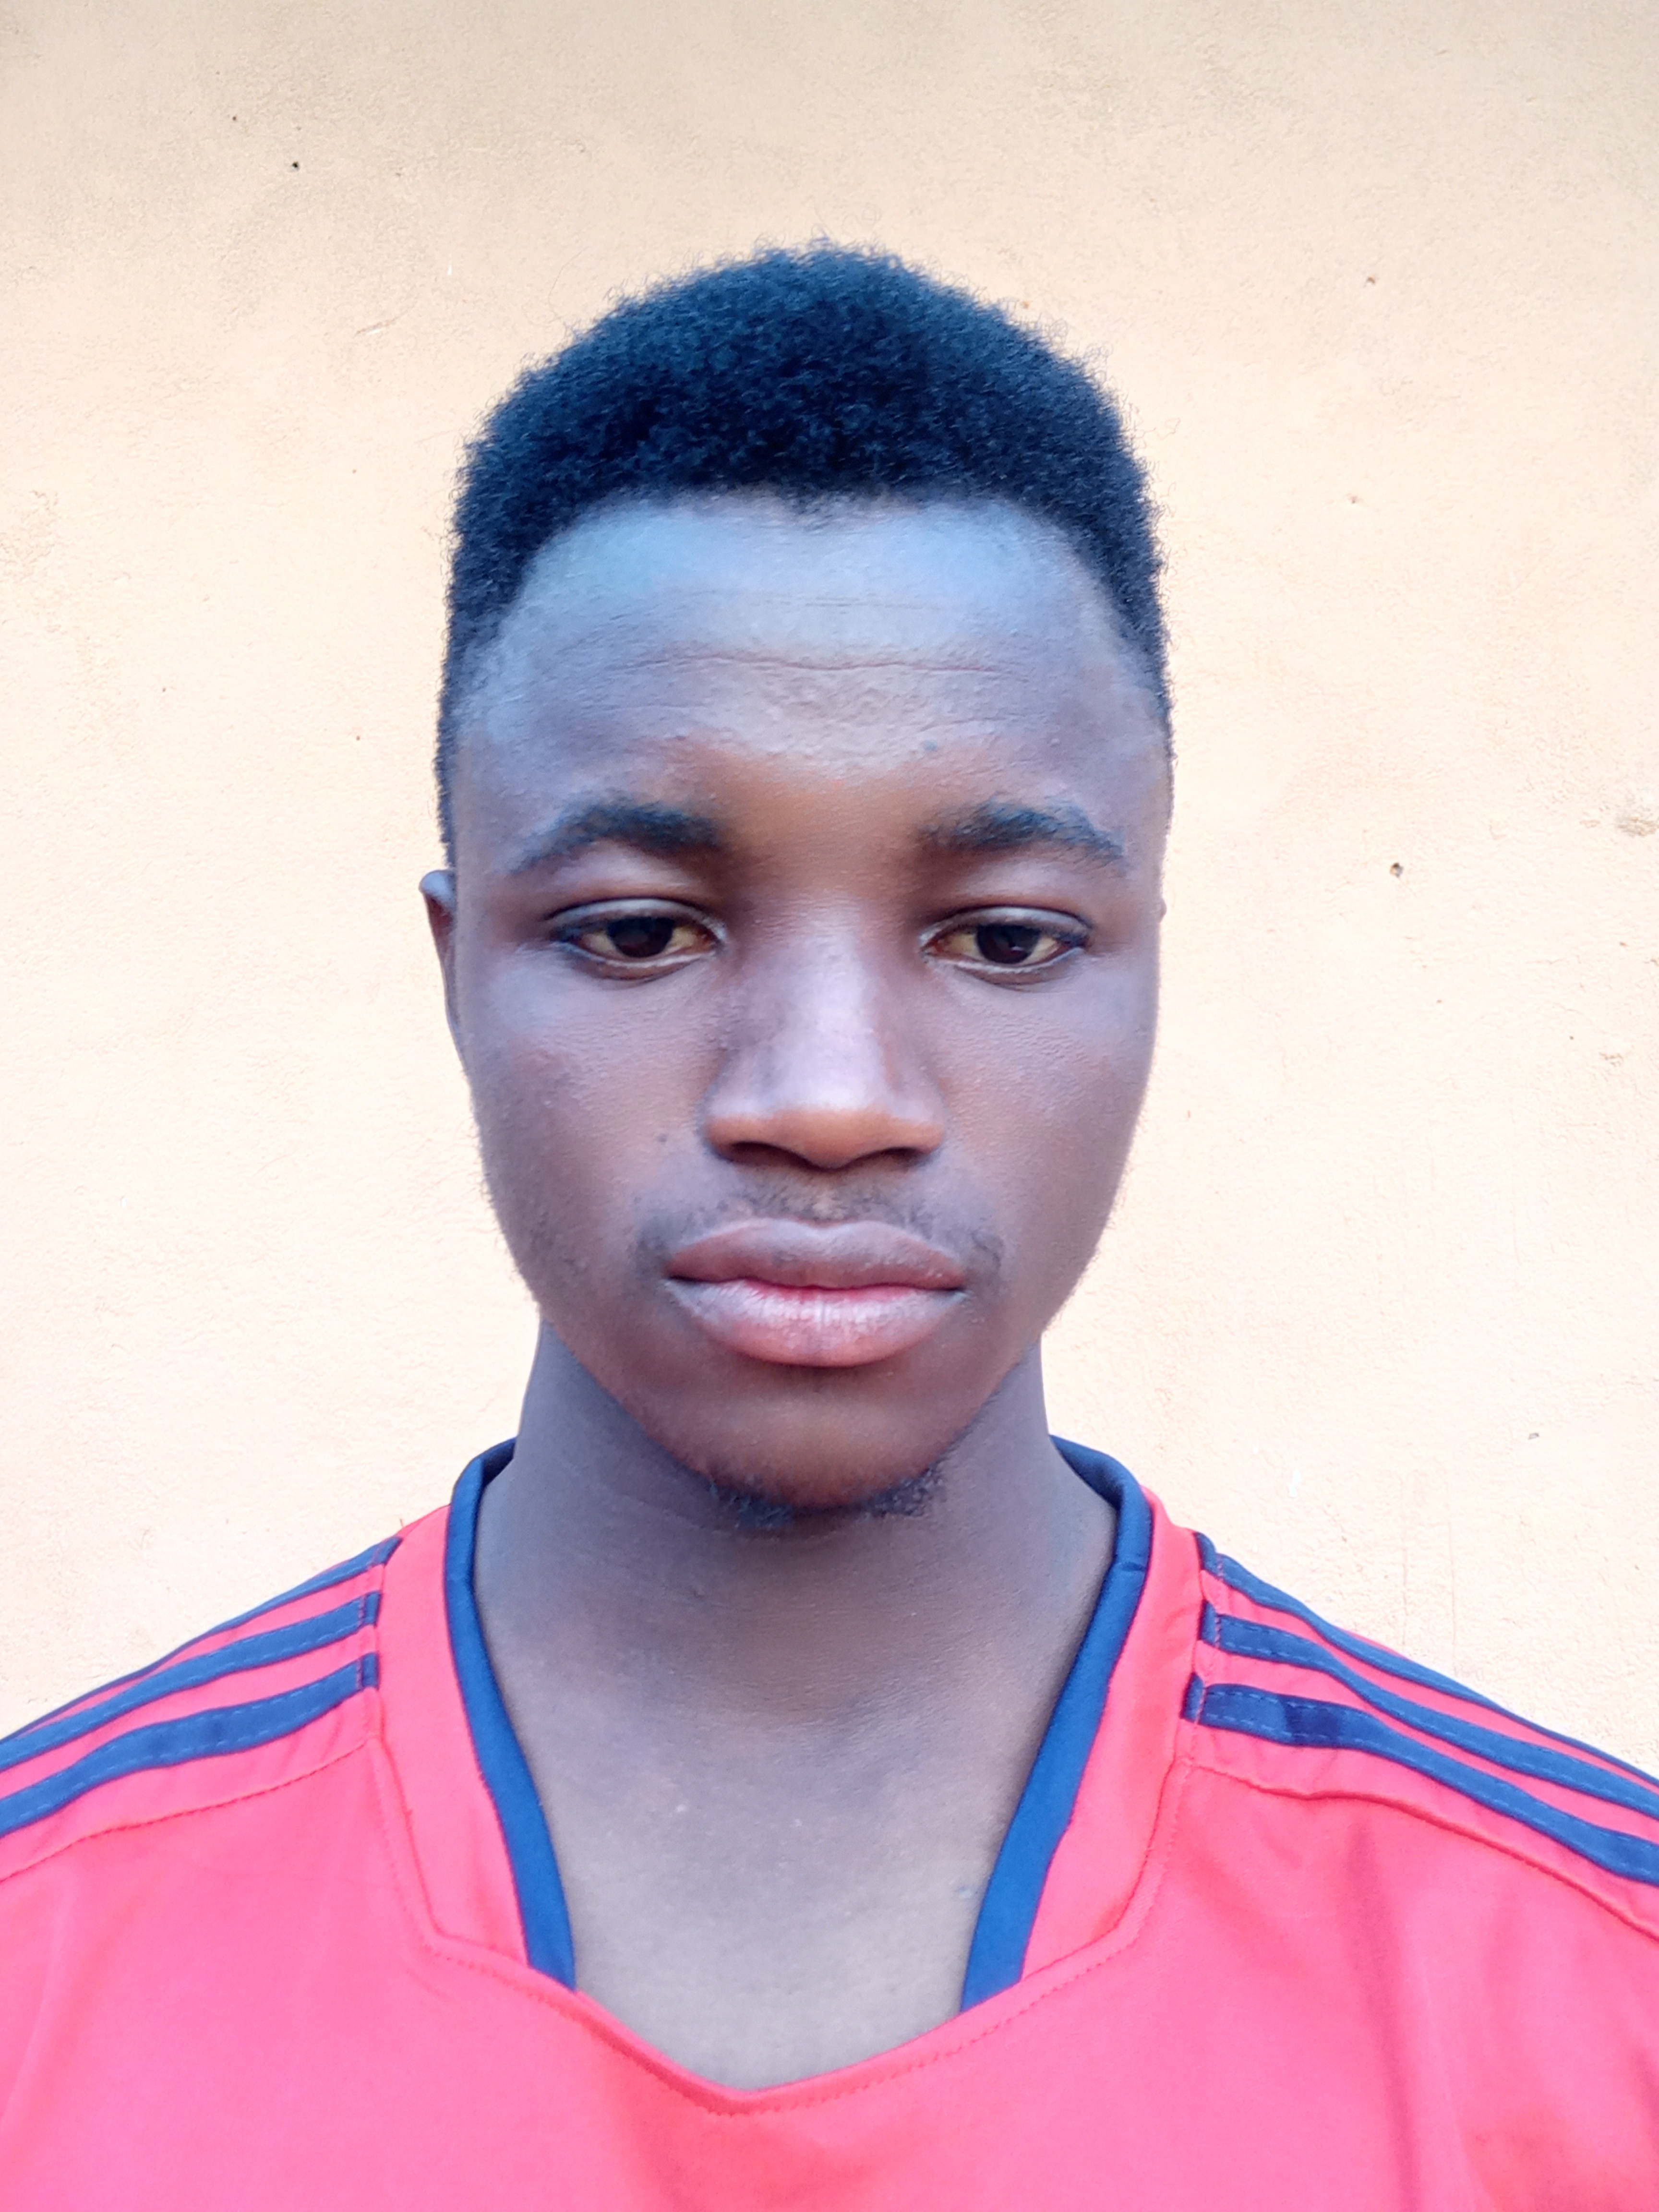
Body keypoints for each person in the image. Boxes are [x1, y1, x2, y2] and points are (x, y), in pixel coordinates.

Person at [0, 245, 1654, 2210]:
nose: (829, 1094)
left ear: (1146, 969)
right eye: (639, 930)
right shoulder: (49, 1954)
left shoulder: (1592, 1998)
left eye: (1004, 939)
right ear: (458, 974)